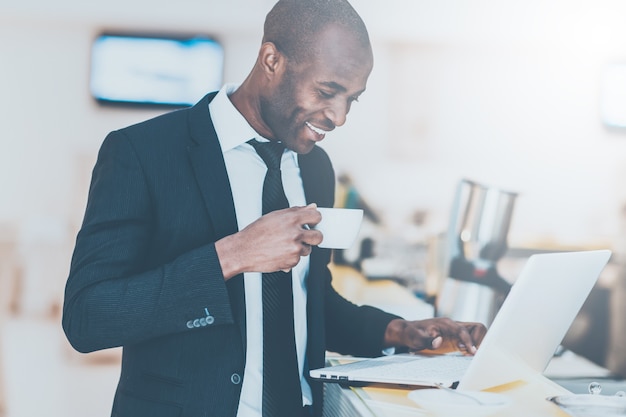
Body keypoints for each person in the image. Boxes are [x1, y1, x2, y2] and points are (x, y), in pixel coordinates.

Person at [62, 0, 487, 416]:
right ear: (271, 60)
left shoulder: (316, 166)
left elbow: (307, 301)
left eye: (352, 99)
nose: (339, 117)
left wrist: (400, 332)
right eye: (327, 91)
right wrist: (233, 255)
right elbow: (87, 317)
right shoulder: (144, 152)